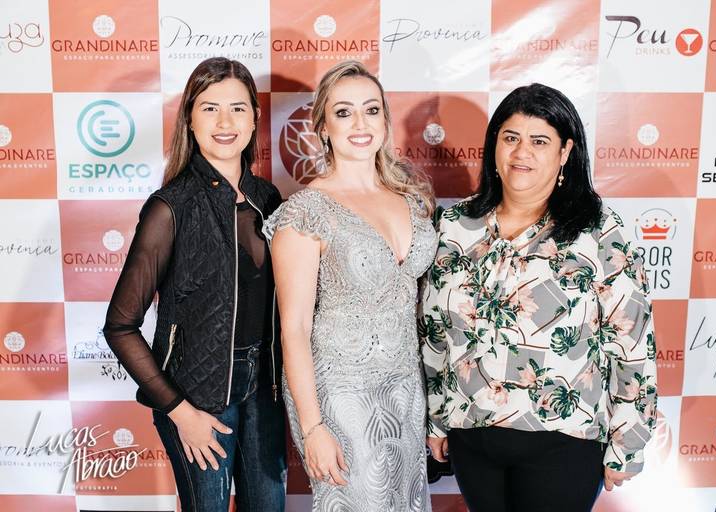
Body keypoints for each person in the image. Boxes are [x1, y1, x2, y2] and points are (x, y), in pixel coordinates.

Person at [420, 83, 657, 512]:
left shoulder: (599, 231)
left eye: (540, 141)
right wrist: (437, 418)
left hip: (564, 443)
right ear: (494, 145)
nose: (521, 152)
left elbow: (632, 342)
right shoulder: (454, 224)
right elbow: (435, 330)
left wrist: (628, 444)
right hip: (472, 437)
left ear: (565, 152)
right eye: (510, 138)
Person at [103, 57, 286, 511]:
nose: (225, 122)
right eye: (209, 108)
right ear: (189, 118)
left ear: (254, 118)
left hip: (265, 391)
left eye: (237, 108)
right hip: (196, 399)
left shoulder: (268, 199)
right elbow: (120, 327)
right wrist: (181, 413)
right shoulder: (170, 207)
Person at [263, 60, 437, 511]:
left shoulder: (412, 201)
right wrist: (313, 427)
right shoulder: (306, 211)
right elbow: (294, 329)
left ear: (385, 119)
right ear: (323, 128)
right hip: (340, 396)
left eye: (371, 109)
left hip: (405, 390)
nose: (360, 123)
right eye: (344, 112)